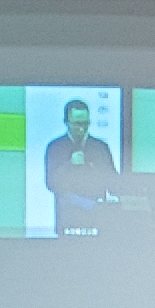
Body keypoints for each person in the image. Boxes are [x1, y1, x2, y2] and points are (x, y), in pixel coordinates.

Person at [43, 98, 119, 233]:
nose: (81, 128)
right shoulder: (55, 147)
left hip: (97, 222)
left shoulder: (100, 148)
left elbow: (114, 183)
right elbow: (51, 184)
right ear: (66, 122)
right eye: (77, 124)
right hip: (67, 221)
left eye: (86, 123)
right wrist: (69, 165)